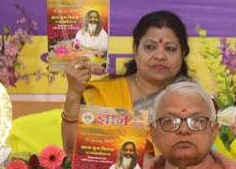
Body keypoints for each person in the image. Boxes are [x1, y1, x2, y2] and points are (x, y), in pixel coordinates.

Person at [61, 10, 190, 154]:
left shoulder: (194, 101)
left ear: (182, 54)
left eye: (170, 49)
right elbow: (72, 150)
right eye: (150, 47)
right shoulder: (104, 95)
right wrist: (73, 93)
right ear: (135, 50)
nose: (160, 55)